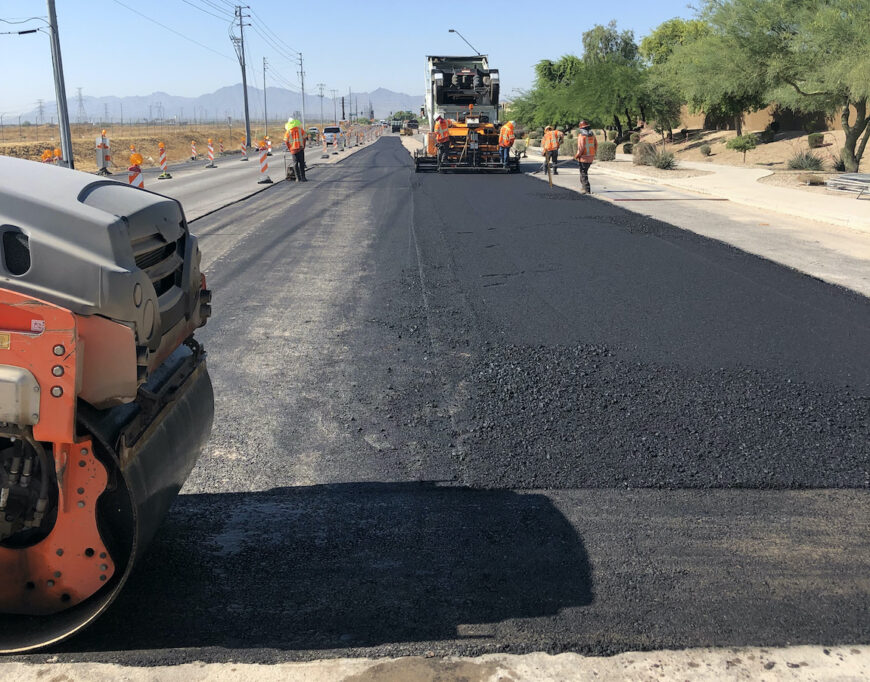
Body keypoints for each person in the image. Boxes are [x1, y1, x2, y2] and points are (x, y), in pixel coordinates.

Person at [573, 120, 598, 194]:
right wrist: (594, 153)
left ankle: (586, 189)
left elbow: (580, 148)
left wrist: (577, 155)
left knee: (583, 173)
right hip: (591, 157)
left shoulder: (581, 136)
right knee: (584, 172)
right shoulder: (592, 135)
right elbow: (596, 145)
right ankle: (584, 187)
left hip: (584, 157)